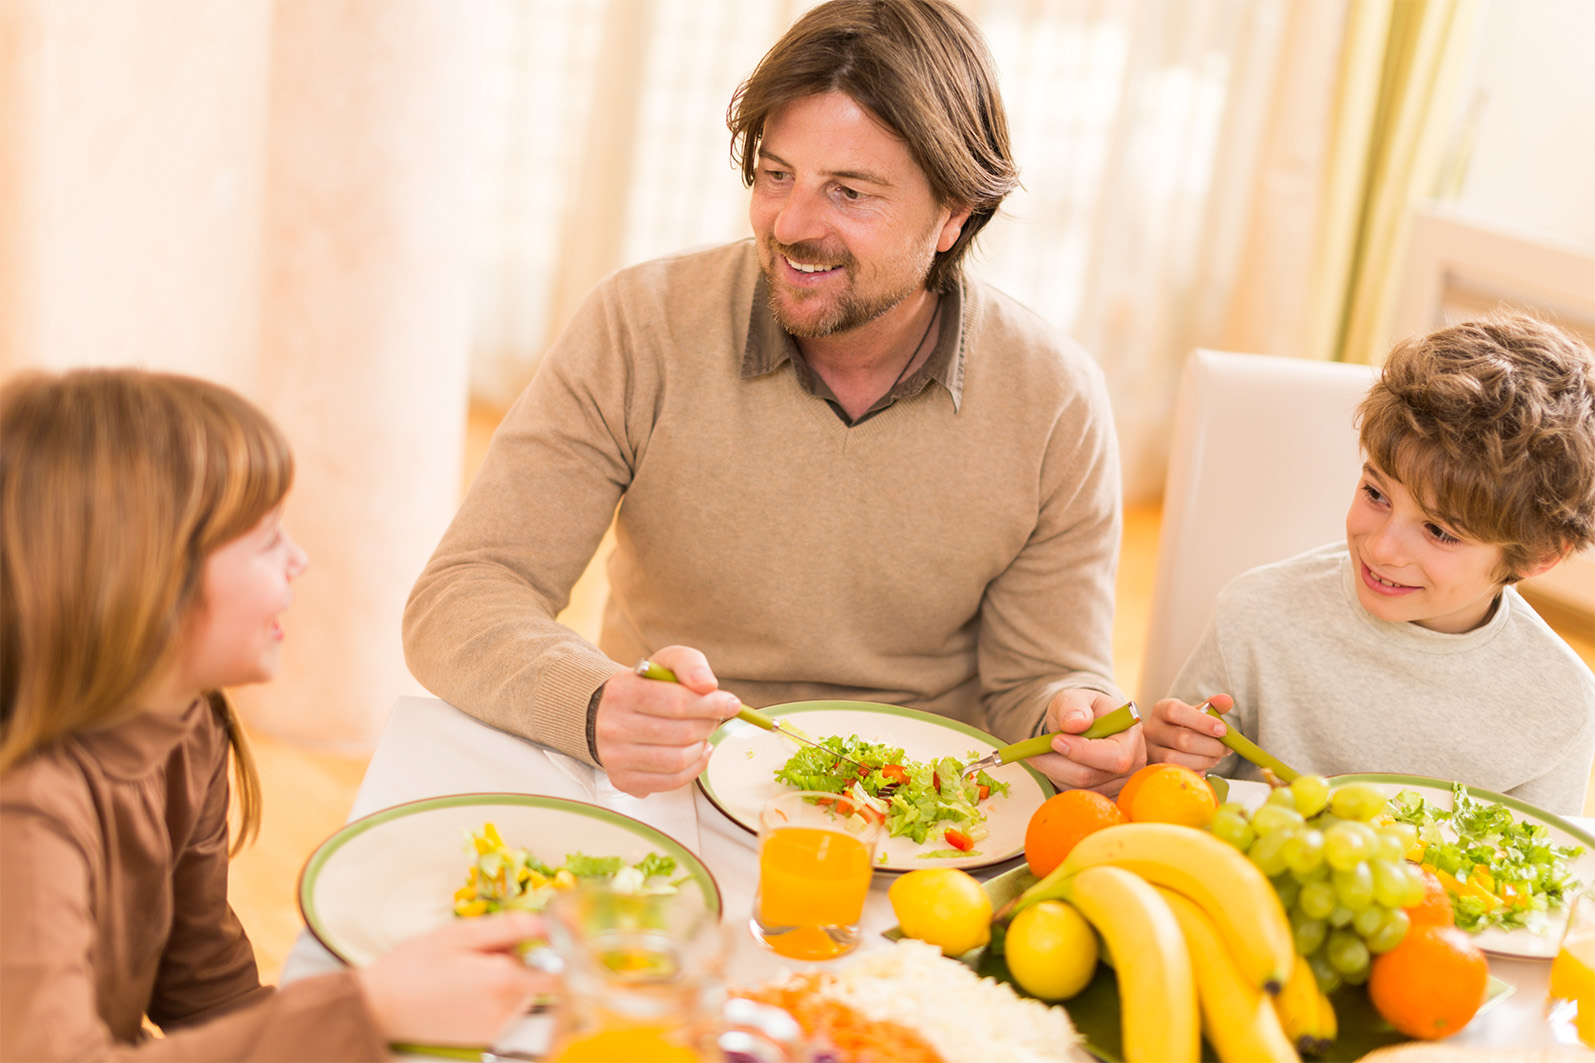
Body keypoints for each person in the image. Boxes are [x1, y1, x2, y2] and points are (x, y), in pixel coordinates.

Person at [403, 0, 1141, 798]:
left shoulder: (1054, 399)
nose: (790, 224)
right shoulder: (639, 323)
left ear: (951, 217)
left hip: (915, 816)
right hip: (669, 782)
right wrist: (596, 703)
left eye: (849, 192)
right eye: (775, 175)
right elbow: (462, 598)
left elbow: (1041, 683)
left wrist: (1068, 722)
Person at [0, 369, 550, 1060]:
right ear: (146, 577)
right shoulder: (27, 813)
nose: (300, 559)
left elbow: (203, 985)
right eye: (266, 539)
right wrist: (369, 1007)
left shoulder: (188, 725)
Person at [1145, 313, 1595, 815]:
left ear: (1539, 556)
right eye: (1376, 494)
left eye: (1440, 531)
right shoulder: (1254, 616)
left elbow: (1541, 877)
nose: (1381, 549)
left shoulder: (1561, 702)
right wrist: (1171, 756)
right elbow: (1172, 790)